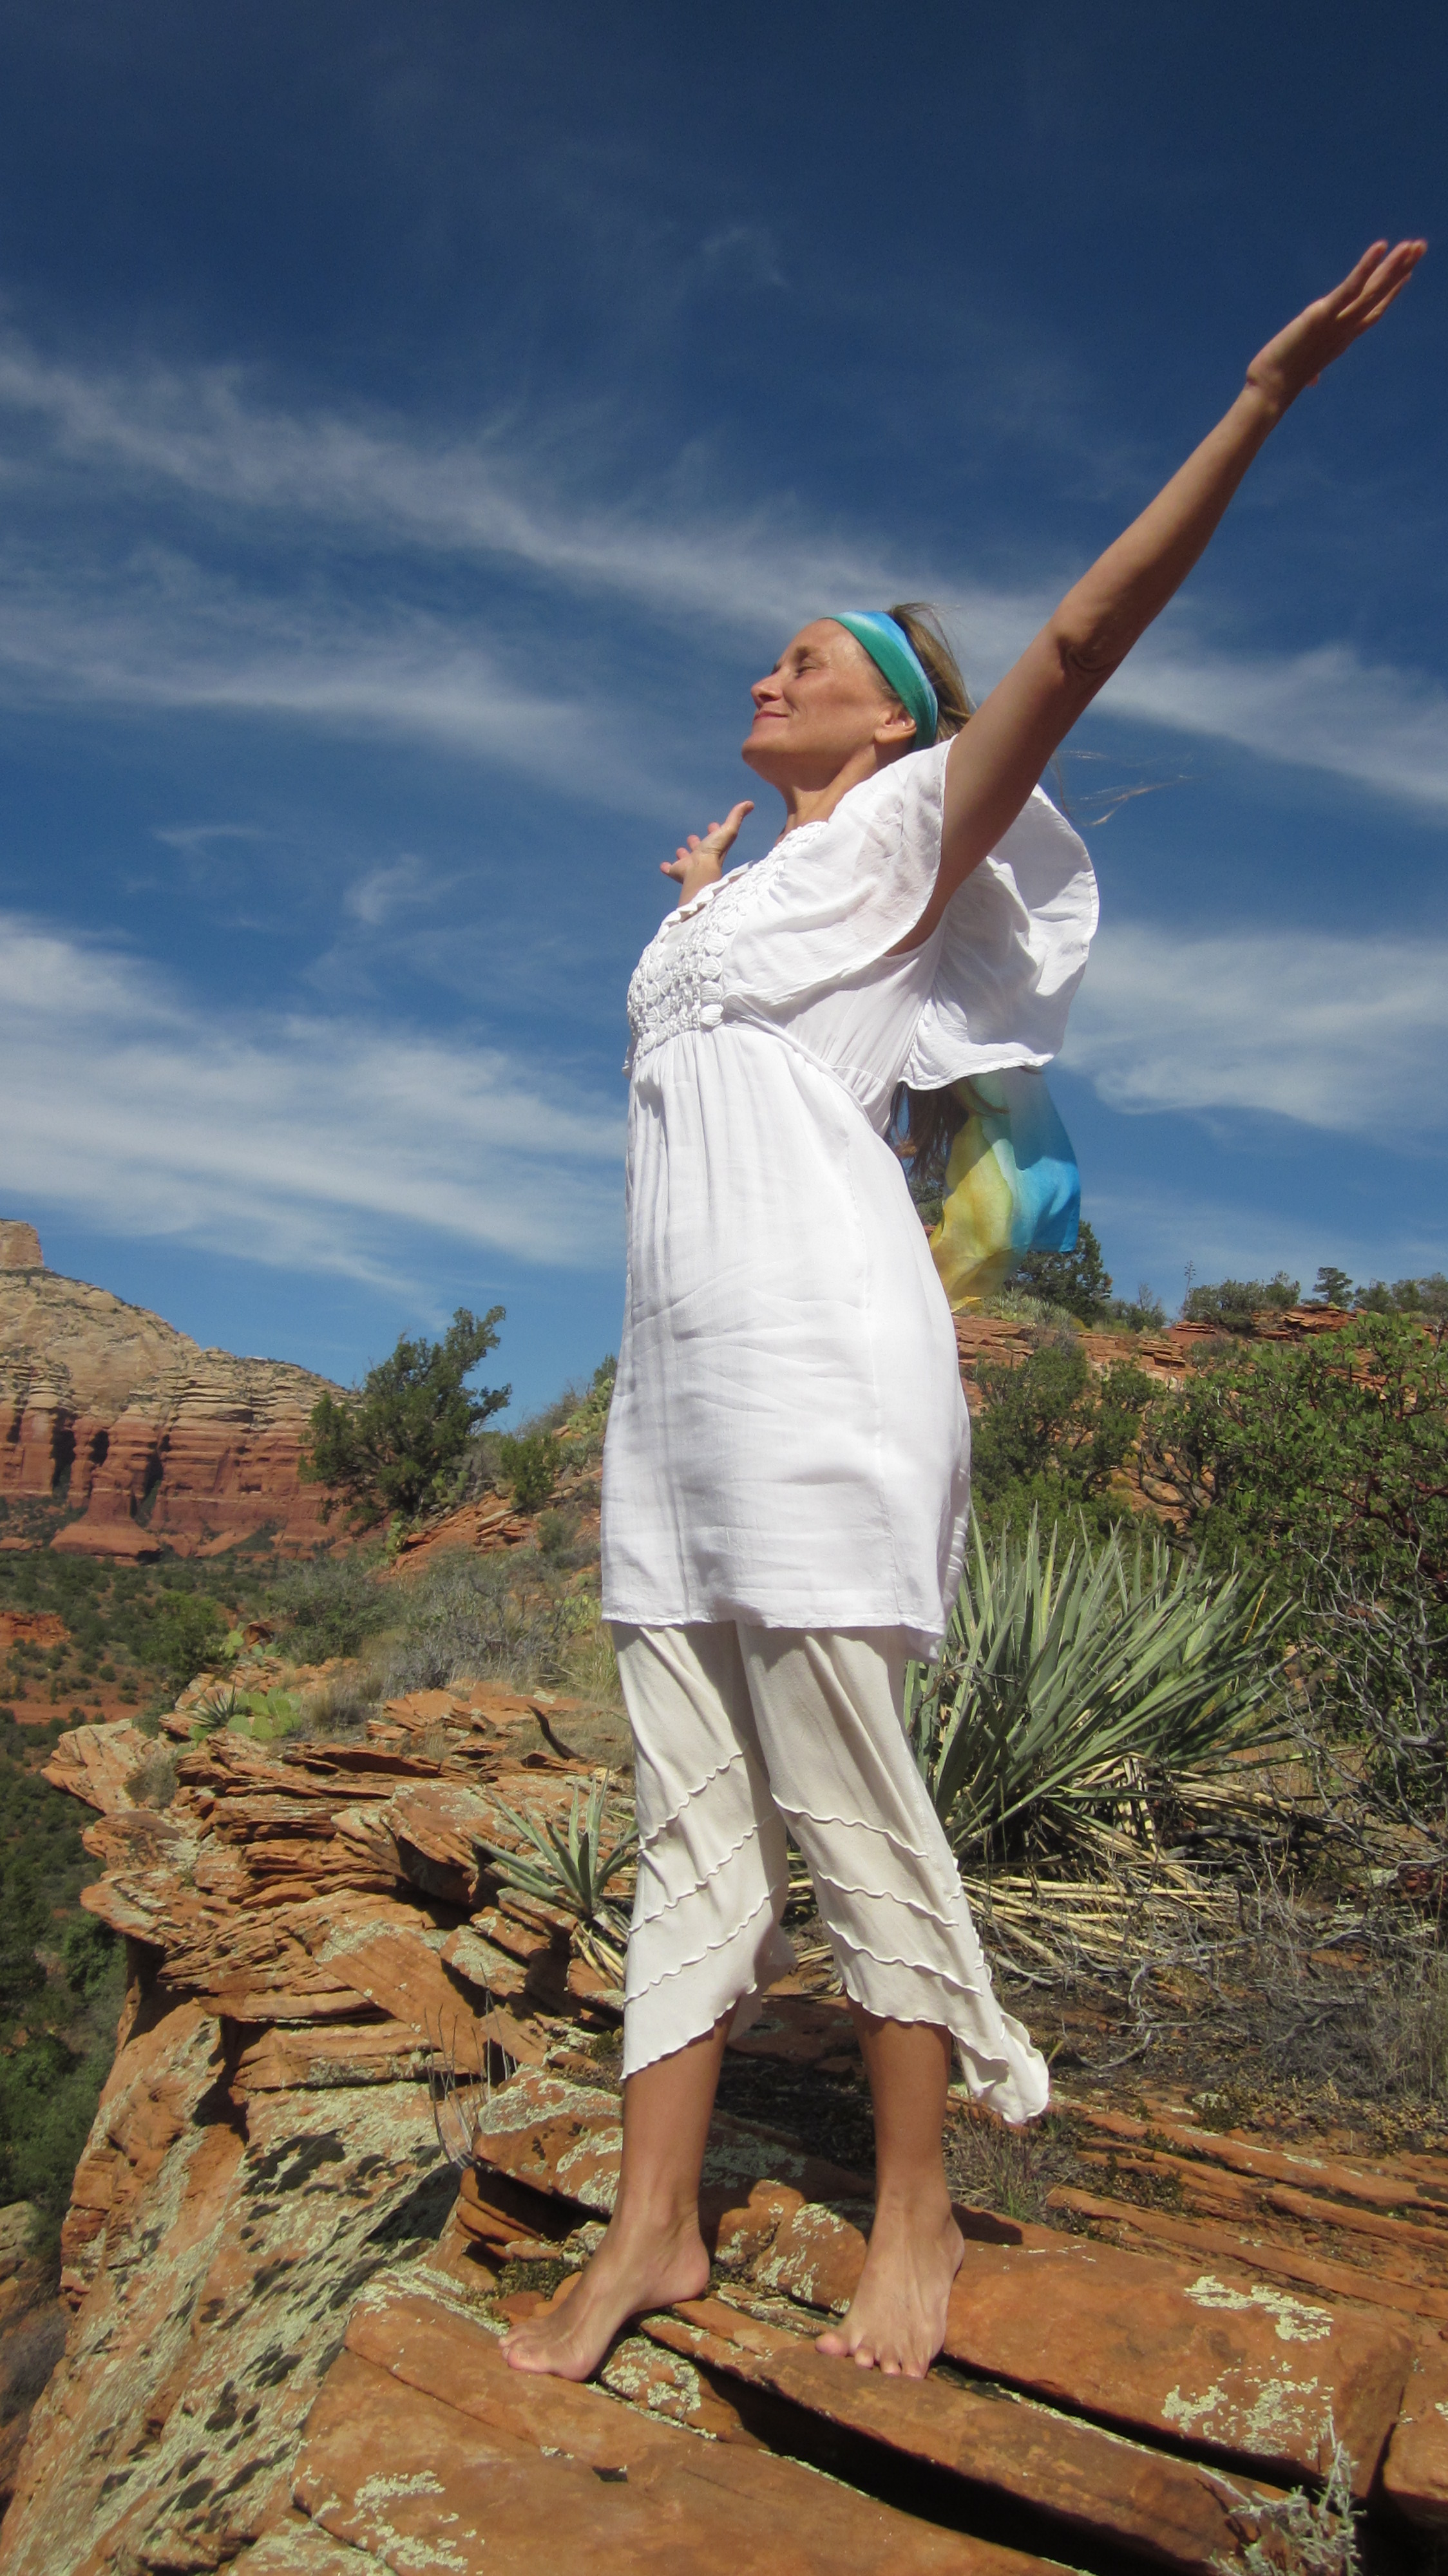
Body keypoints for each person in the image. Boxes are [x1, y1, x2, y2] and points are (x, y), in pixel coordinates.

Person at [503, 239, 1425, 2384]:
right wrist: (699, 899)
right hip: (677, 1401)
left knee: (846, 1786)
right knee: (687, 1813)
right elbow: (721, 1030)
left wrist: (1260, 401)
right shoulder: (741, 893)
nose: (769, 667)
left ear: (900, 717)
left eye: (809, 656)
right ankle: (653, 2231)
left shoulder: (923, 825)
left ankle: (914, 2208)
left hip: (824, 1367)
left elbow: (1084, 638)